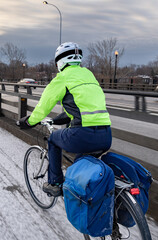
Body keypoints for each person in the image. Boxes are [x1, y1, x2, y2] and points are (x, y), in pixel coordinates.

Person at [18, 42, 112, 197]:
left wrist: (28, 121)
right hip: (106, 136)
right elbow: (79, 109)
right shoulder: (89, 75)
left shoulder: (62, 78)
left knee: (53, 139)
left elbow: (42, 108)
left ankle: (55, 183)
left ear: (59, 62)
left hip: (83, 135)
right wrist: (55, 121)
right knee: (80, 169)